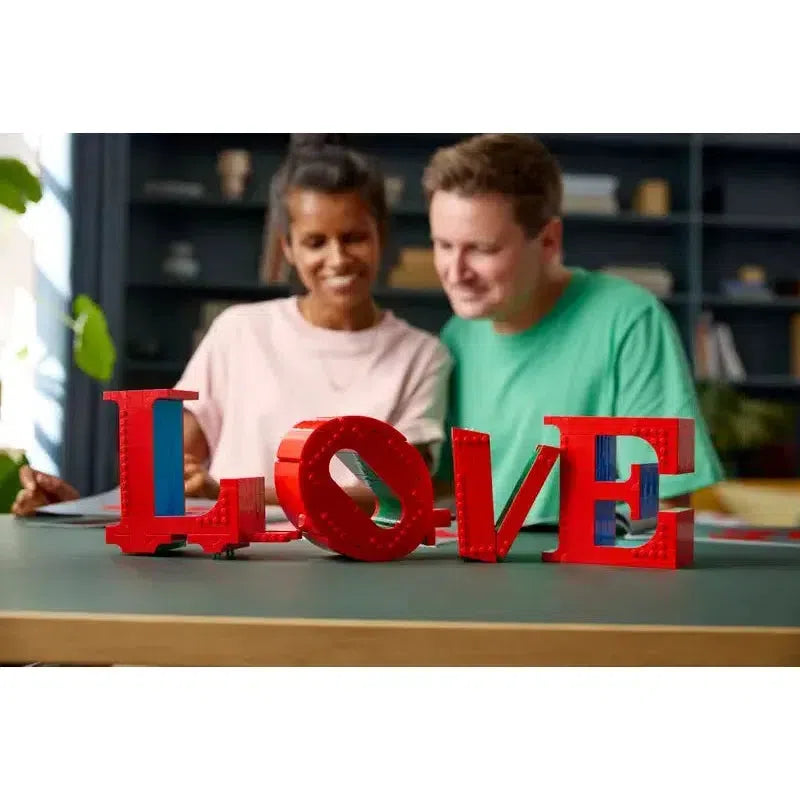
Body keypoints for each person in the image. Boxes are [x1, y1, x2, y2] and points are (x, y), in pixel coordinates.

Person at [12, 135, 452, 516]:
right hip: (225, 566)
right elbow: (171, 473)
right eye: (316, 242)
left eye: (353, 238)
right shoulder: (238, 331)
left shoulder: (423, 355)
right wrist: (72, 509)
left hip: (355, 576)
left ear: (382, 236)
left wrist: (231, 494)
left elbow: (396, 493)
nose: (337, 259)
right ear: (289, 249)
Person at [424, 133, 724, 525]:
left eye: (481, 249)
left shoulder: (629, 320)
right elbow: (448, 492)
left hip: (597, 581)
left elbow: (662, 505)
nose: (456, 272)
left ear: (549, 240)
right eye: (443, 245)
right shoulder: (457, 337)